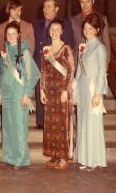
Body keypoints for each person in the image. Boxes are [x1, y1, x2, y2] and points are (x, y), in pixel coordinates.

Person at [0, 21, 39, 169]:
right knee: (7, 127)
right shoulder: (5, 52)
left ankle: (21, 159)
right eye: (8, 34)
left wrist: (27, 94)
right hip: (7, 93)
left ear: (19, 35)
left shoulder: (24, 51)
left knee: (19, 127)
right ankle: (8, 157)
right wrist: (0, 93)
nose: (11, 36)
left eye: (14, 34)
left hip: (19, 94)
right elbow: (1, 75)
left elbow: (32, 74)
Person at [33, 0, 75, 129]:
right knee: (41, 90)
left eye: (49, 6)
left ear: (57, 9)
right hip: (40, 61)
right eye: (44, 6)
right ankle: (41, 121)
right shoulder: (37, 24)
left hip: (58, 63)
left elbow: (69, 43)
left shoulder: (65, 23)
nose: (45, 9)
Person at [40, 18, 75, 170]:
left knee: (62, 124)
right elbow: (43, 70)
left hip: (61, 91)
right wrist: (42, 89)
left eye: (57, 29)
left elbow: (70, 70)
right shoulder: (46, 49)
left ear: (62, 31)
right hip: (50, 92)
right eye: (51, 29)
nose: (54, 32)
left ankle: (64, 156)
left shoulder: (66, 49)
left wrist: (66, 90)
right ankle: (54, 155)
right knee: (51, 125)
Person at [75, 13, 108, 171]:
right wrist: (74, 90)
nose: (87, 31)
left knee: (92, 125)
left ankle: (94, 160)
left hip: (93, 90)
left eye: (90, 28)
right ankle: (84, 158)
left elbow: (102, 72)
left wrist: (98, 94)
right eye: (85, 28)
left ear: (97, 30)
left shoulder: (100, 48)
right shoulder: (83, 47)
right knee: (82, 124)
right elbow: (78, 71)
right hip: (82, 90)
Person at [71, 0, 110, 66]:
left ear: (93, 1)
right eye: (82, 2)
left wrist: (106, 63)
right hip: (78, 64)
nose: (85, 5)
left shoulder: (102, 19)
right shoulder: (73, 20)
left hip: (96, 63)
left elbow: (106, 43)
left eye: (88, 1)